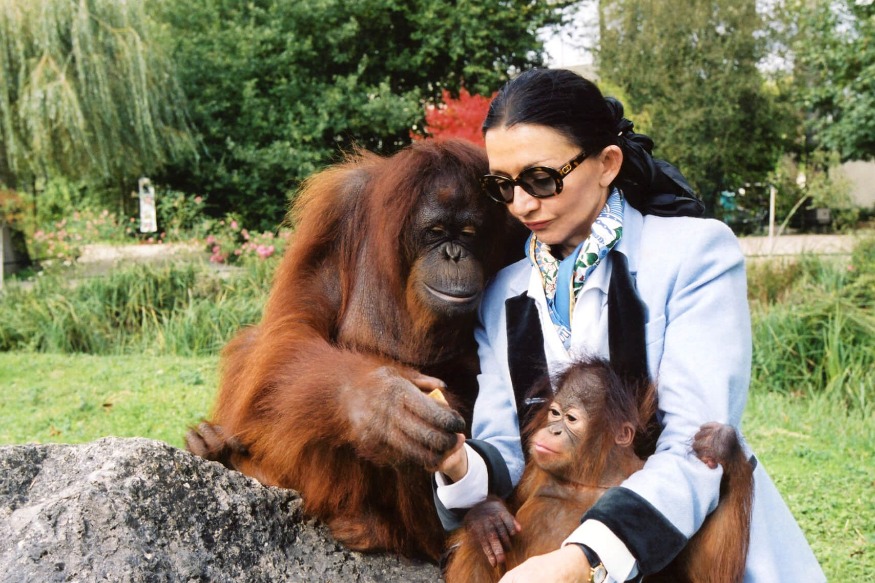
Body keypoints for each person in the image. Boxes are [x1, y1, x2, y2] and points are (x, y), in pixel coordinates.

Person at [432, 68, 824, 582]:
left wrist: (585, 560)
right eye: (502, 185)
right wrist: (456, 461)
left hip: (687, 538)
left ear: (607, 164)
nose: (522, 204)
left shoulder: (693, 255)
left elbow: (695, 446)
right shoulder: (506, 291)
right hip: (552, 537)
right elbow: (506, 444)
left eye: (541, 179)